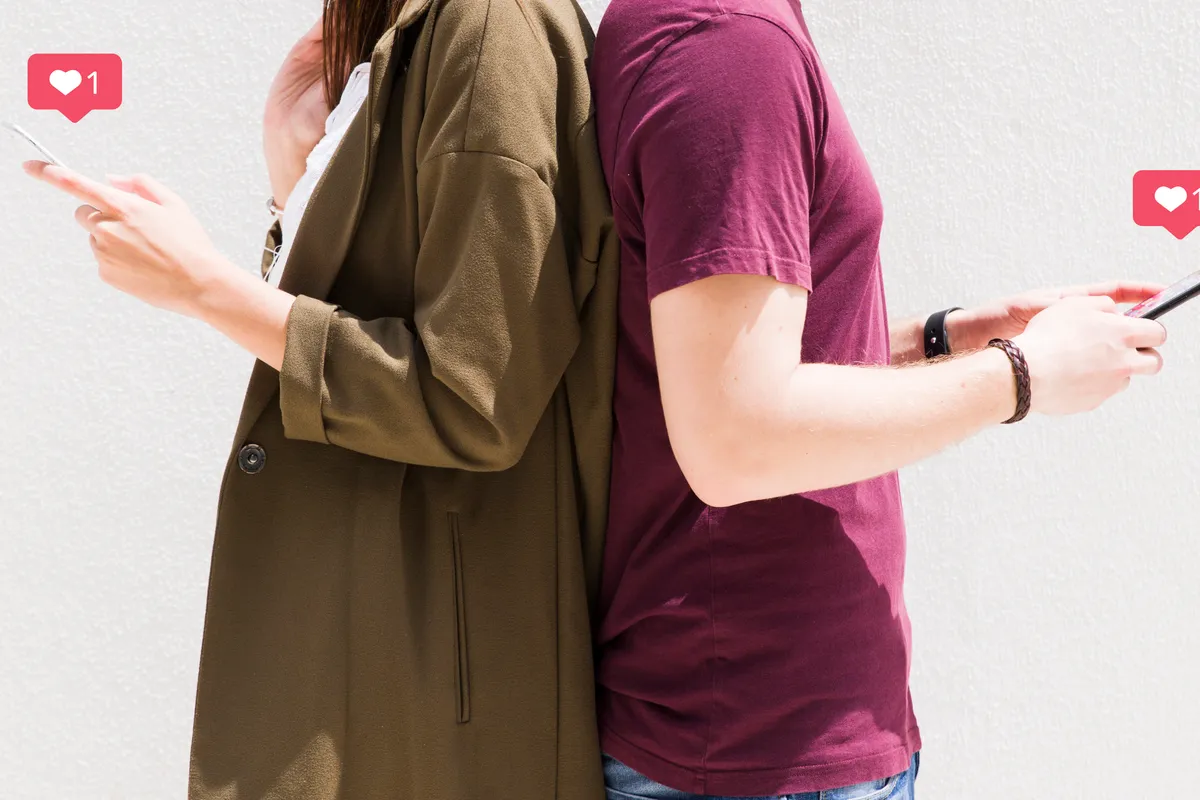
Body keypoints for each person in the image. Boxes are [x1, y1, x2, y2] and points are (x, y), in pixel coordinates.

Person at [24, 0, 618, 798]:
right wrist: (292, 173)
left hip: (431, 684)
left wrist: (205, 287)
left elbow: (472, 397)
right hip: (378, 654)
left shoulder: (488, 27)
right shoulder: (413, 37)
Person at [587, 1, 1167, 799]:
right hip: (763, 746)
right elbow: (735, 435)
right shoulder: (728, 47)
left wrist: (954, 335)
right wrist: (1023, 375)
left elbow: (733, 356)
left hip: (773, 734)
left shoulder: (722, 30)